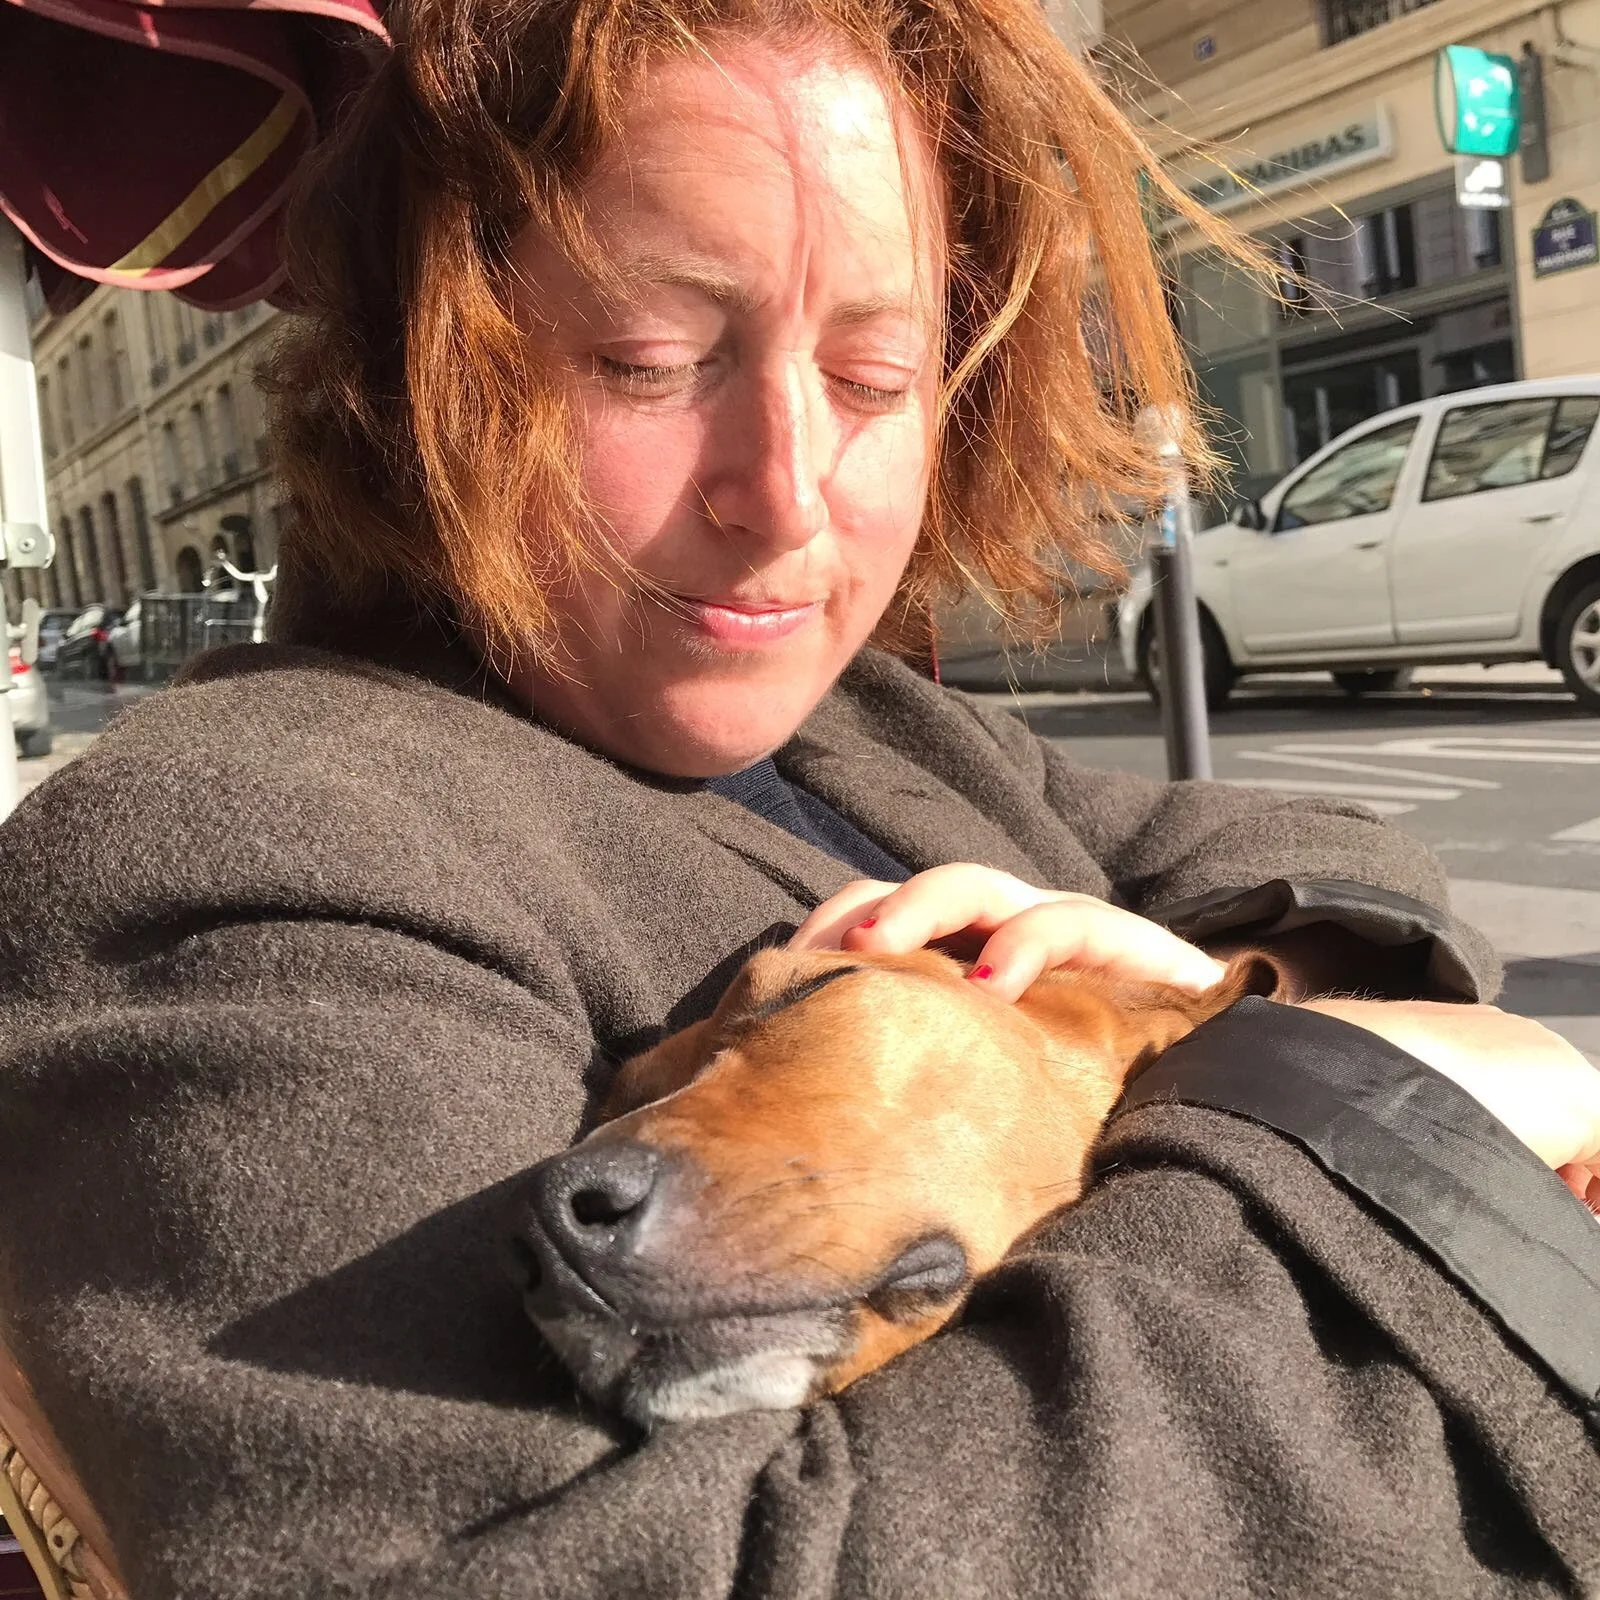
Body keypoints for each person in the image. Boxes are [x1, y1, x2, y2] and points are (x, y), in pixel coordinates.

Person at [0, 0, 1596, 1594]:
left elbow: (1296, 857)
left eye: (877, 376)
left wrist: (1223, 992)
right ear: (416, 373)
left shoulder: (868, 727)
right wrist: (1333, 1105)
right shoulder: (241, 849)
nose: (785, 488)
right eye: (648, 361)